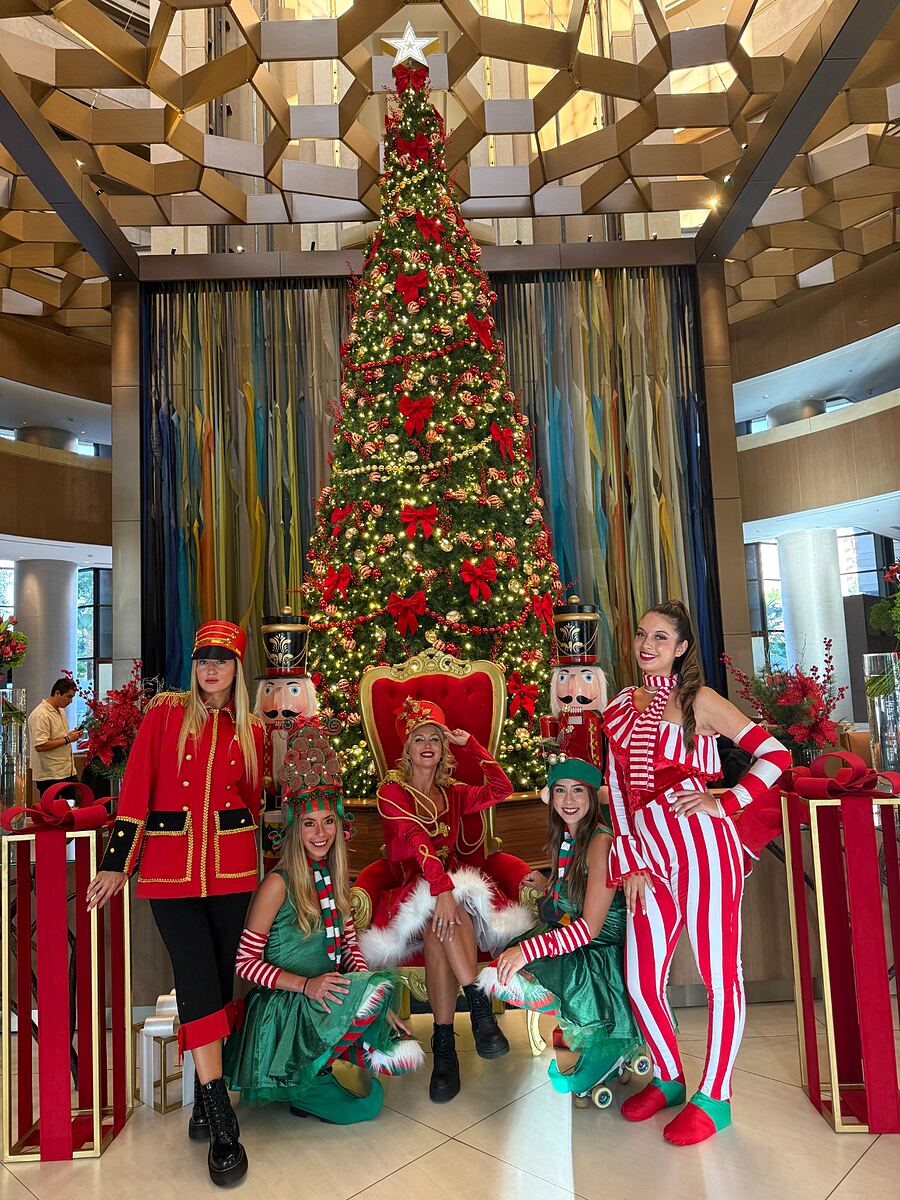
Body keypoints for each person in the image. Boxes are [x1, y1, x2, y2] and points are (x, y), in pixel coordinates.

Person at [603, 600, 790, 1145]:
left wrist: (727, 800)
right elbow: (616, 790)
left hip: (704, 850)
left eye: (662, 638)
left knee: (717, 975)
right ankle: (669, 1077)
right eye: (642, 635)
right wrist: (629, 857)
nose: (647, 646)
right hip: (649, 857)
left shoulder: (699, 701)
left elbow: (775, 755)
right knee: (641, 980)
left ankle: (717, 1097)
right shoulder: (619, 706)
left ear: (682, 648)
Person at [86, 620, 263, 1187]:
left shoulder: (252, 729)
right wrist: (118, 863)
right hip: (170, 875)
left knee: (217, 981)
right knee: (194, 978)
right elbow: (135, 790)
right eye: (203, 659)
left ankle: (201, 1100)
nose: (211, 669)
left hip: (233, 872)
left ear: (237, 668)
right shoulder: (164, 714)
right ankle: (221, 1114)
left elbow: (254, 803)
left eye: (222, 660)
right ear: (194, 665)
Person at [223, 717, 423, 1122]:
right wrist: (305, 984)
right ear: (295, 827)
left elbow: (349, 949)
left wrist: (378, 1003)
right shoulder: (277, 885)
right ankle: (309, 1073)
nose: (320, 833)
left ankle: (348, 1055)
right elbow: (244, 964)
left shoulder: (333, 879)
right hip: (286, 1005)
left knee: (377, 990)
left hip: (323, 997)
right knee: (361, 1110)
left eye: (328, 821)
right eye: (310, 824)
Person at [360, 697, 536, 1103]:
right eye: (419, 738)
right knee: (444, 910)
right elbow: (414, 840)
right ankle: (478, 1007)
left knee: (445, 922)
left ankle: (445, 1049)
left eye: (435, 740)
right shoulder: (391, 791)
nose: (427, 746)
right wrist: (440, 891)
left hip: (454, 894)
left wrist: (471, 744)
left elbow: (502, 788)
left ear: (443, 749)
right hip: (409, 891)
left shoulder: (453, 793)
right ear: (406, 748)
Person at [479, 758, 644, 1104]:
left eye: (578, 791)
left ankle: (603, 1044)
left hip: (601, 952)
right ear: (551, 798)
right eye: (560, 791)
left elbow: (589, 927)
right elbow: (571, 895)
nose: (569, 800)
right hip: (585, 945)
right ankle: (589, 1041)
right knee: (508, 969)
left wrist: (529, 950)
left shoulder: (600, 842)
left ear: (592, 796)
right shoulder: (570, 837)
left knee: (525, 965)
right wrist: (548, 885)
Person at [27, 677, 81, 797]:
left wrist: (71, 735)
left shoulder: (60, 710)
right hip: (50, 774)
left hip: (67, 770)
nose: (70, 701)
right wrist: (68, 739)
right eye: (68, 696)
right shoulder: (40, 714)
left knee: (72, 808)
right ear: (57, 693)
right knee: (52, 812)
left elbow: (59, 737)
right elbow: (40, 745)